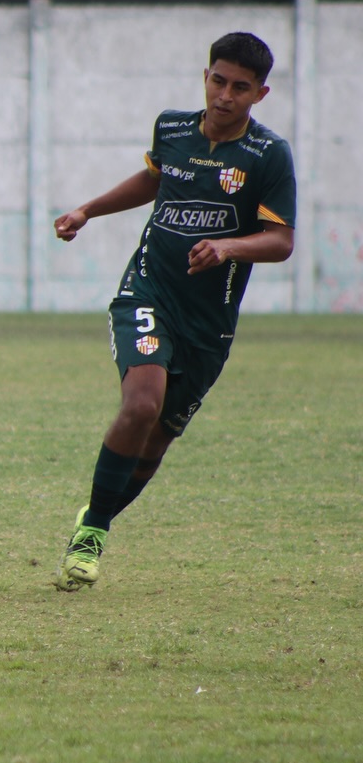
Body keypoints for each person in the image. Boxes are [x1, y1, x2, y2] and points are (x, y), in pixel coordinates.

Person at [51, 31, 296, 591]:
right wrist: (89, 209)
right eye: (217, 80)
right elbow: (155, 176)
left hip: (209, 323)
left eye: (240, 87)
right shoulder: (174, 127)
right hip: (148, 289)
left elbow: (280, 241)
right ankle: (90, 534)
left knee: (157, 439)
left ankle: (98, 522)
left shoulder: (267, 156)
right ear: (206, 76)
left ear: (260, 93)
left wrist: (229, 247)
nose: (224, 95)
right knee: (141, 402)